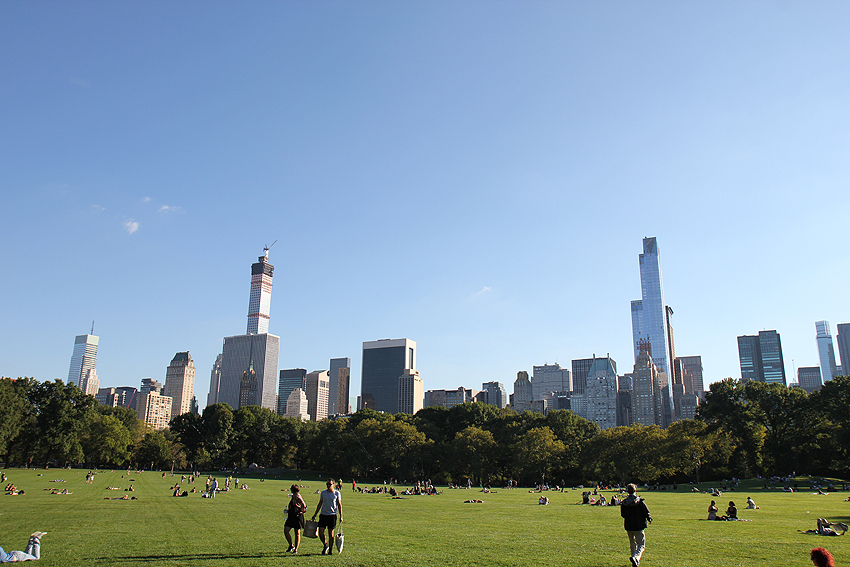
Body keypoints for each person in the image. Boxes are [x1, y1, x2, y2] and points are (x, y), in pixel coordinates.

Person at [620, 484, 651, 567]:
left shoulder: (624, 502)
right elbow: (646, 511)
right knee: (641, 544)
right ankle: (636, 558)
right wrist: (649, 518)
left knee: (632, 543)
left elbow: (623, 515)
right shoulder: (640, 501)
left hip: (629, 526)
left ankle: (635, 561)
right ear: (635, 490)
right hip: (639, 525)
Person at [312, 479, 343, 555]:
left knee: (331, 534)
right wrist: (315, 514)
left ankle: (330, 550)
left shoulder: (337, 493)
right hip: (323, 515)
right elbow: (320, 503)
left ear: (334, 485)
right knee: (320, 532)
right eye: (327, 484)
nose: (328, 485)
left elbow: (339, 505)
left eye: (330, 484)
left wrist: (341, 516)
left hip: (332, 515)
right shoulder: (323, 493)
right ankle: (325, 545)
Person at [284, 485, 307, 554]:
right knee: (286, 530)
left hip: (297, 516)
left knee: (297, 533)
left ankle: (296, 549)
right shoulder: (293, 496)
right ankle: (291, 545)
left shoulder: (298, 497)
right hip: (291, 515)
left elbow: (304, 506)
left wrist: (301, 511)